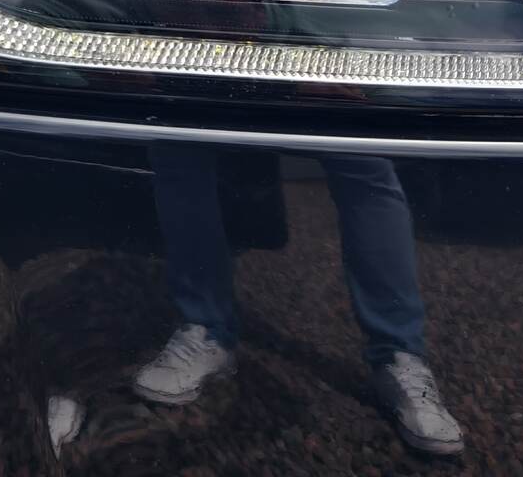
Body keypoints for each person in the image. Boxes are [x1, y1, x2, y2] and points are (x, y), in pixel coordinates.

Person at [135, 144, 464, 457]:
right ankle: (205, 330)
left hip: (318, 83)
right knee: (179, 153)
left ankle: (399, 354)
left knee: (365, 162)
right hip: (225, 84)